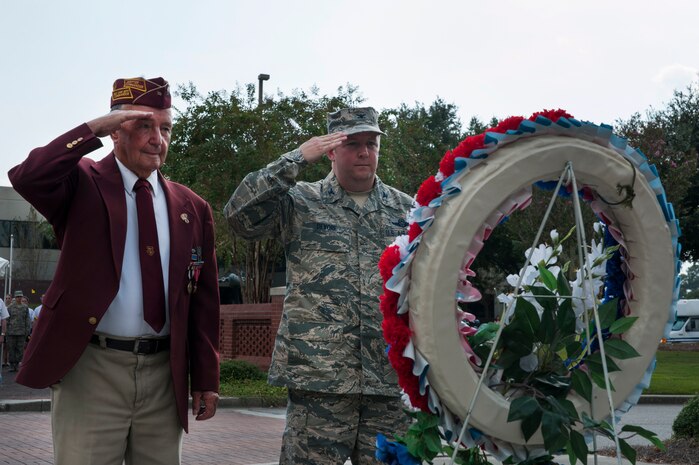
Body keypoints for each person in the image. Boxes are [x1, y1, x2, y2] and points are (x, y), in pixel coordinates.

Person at [8, 77, 221, 465]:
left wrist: (206, 378)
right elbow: (27, 177)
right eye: (144, 125)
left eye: (166, 127)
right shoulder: (82, 182)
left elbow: (204, 302)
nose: (158, 138)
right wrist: (91, 129)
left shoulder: (192, 207)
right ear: (115, 132)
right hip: (91, 368)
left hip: (163, 373)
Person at [225, 107, 414, 464]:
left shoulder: (406, 210)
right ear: (329, 150)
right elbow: (239, 217)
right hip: (319, 381)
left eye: (371, 144)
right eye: (352, 143)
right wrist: (294, 159)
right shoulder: (300, 202)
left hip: (387, 380)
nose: (364, 152)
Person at [6, 290, 31, 371]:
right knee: (11, 349)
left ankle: (17, 364)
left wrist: (27, 331)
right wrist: (6, 331)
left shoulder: (25, 307)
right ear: (15, 297)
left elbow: (27, 320)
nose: (19, 298)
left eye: (20, 296)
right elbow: (7, 320)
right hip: (11, 332)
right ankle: (12, 364)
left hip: (21, 332)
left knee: (20, 349)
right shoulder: (10, 307)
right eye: (17, 297)